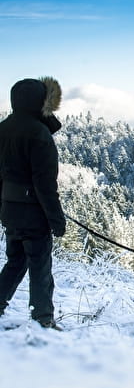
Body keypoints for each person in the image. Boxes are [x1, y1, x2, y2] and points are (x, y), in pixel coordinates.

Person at [0, 77, 66, 330]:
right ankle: (43, 319)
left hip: (10, 209)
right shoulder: (39, 135)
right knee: (40, 265)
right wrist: (56, 219)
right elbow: (45, 185)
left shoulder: (2, 129)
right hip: (34, 213)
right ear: (42, 103)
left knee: (15, 261)